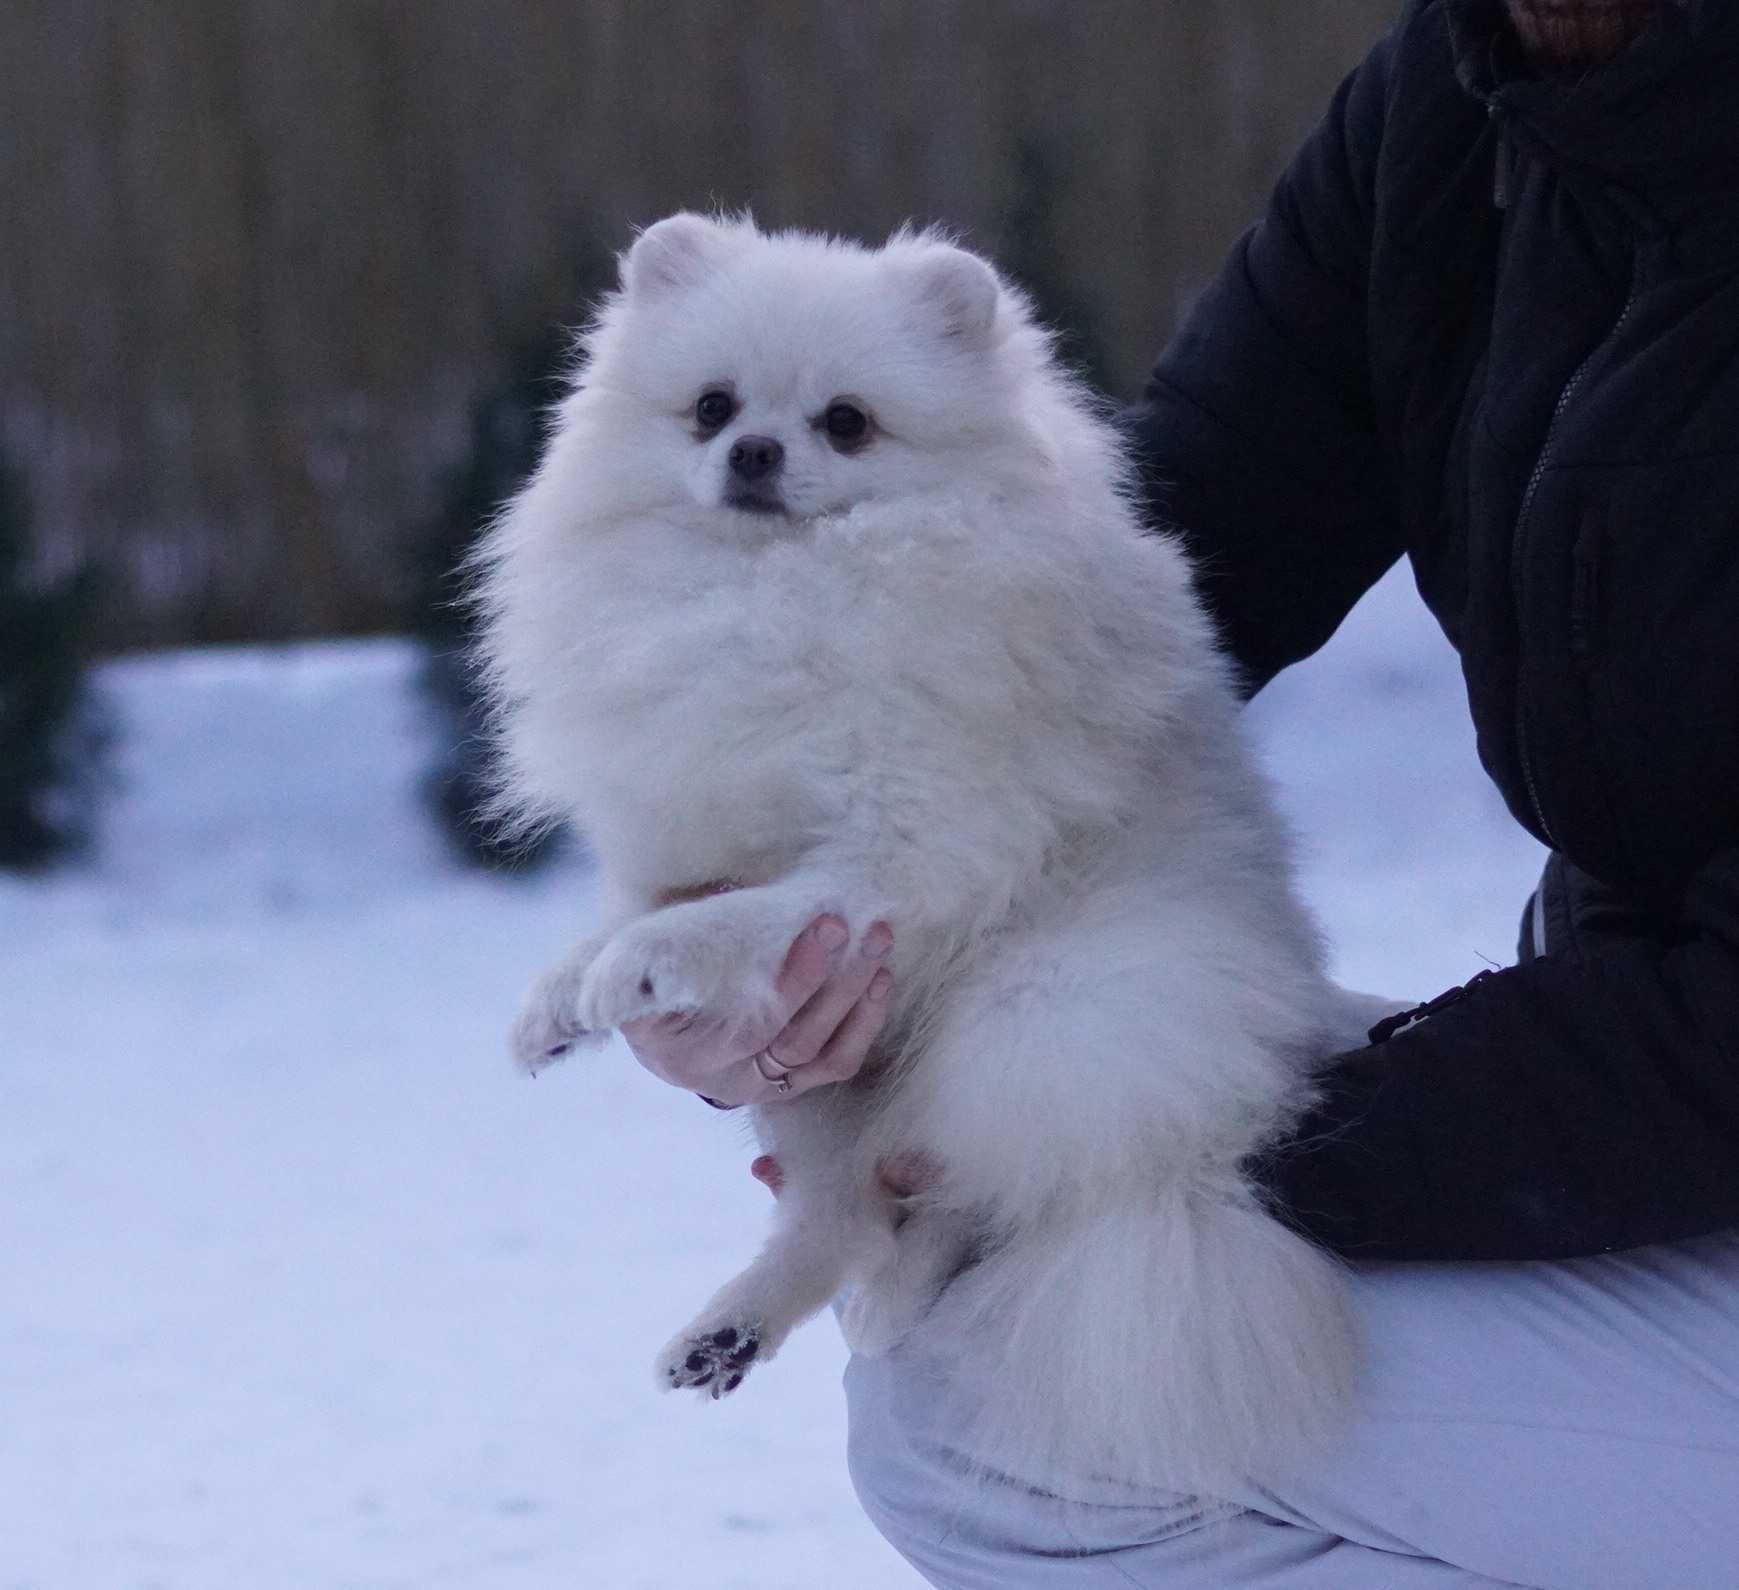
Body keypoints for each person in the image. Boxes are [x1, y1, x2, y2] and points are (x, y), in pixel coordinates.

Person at [623, 0, 1739, 1582]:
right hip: (1659, 1080)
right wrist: (782, 914)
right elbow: (1114, 583)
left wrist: (1189, 1135)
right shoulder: (1464, 106)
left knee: (1014, 1422)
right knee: (984, 1345)